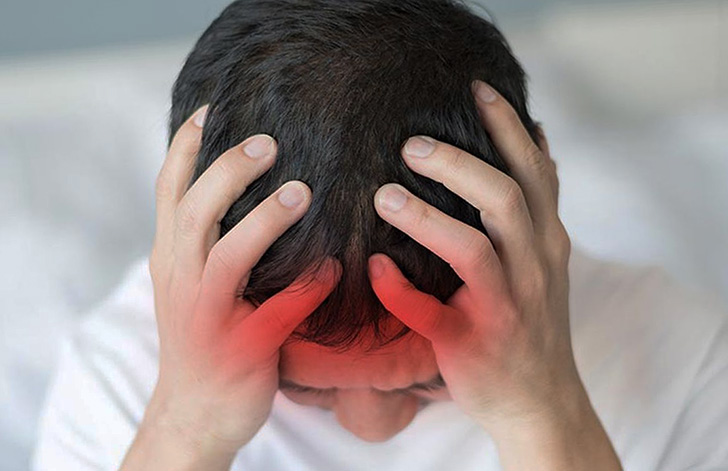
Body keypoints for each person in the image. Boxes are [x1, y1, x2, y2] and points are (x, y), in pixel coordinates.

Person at [33, 0, 728, 470]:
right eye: (305, 389)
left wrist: (542, 413)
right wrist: (187, 430)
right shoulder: (120, 377)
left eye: (427, 382)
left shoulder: (685, 359)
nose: (370, 429)